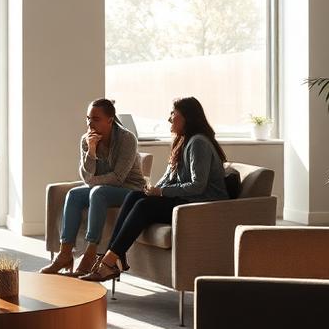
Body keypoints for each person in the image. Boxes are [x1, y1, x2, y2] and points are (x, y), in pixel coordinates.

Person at [81, 96, 229, 283]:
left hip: (201, 206)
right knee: (136, 195)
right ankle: (113, 258)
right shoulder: (183, 141)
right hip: (188, 200)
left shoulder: (198, 142)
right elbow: (170, 177)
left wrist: (161, 193)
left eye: (173, 114)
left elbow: (197, 186)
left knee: (144, 207)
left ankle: (109, 261)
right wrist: (154, 188)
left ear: (187, 118)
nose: (169, 118)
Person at [41, 98, 147, 277]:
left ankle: (90, 254)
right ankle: (65, 254)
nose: (90, 123)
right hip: (103, 188)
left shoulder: (127, 139)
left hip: (131, 190)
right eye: (88, 118)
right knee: (74, 194)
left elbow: (118, 178)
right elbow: (85, 176)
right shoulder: (86, 139)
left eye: (96, 119)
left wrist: (92, 181)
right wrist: (91, 150)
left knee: (98, 193)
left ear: (110, 120)